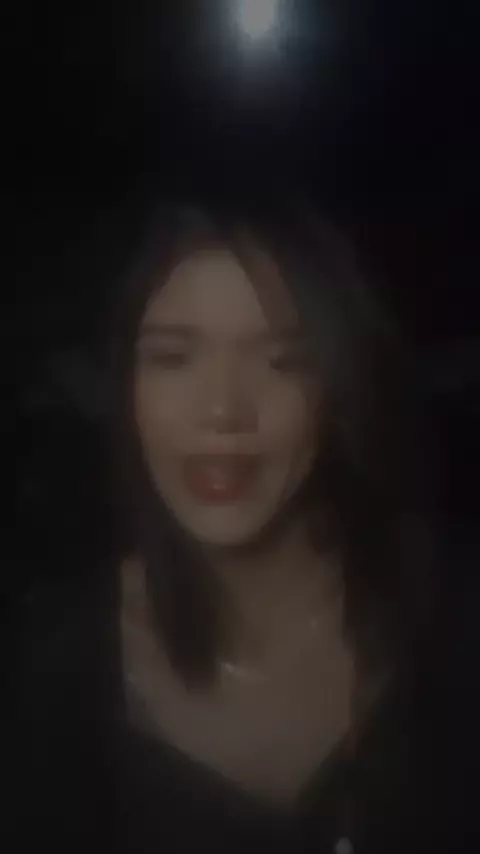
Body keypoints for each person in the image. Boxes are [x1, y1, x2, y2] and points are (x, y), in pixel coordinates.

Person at [9, 197, 474, 853]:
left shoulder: (454, 611)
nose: (223, 410)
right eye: (173, 358)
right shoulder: (49, 674)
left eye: (282, 360)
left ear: (338, 388)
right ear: (126, 390)